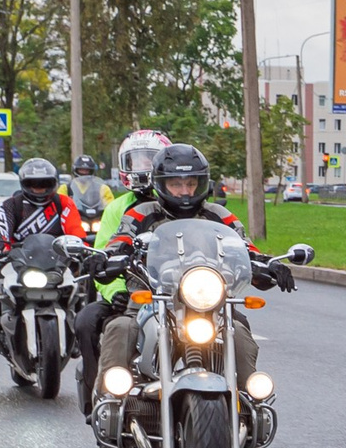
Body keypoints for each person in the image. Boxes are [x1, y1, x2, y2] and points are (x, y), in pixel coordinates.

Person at [90, 143, 296, 406]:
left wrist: (269, 265)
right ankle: (109, 402)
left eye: (191, 184)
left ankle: (250, 403)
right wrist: (107, 258)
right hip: (151, 300)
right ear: (161, 184)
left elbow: (245, 248)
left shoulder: (219, 215)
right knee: (120, 327)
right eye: (176, 184)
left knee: (239, 332)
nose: (185, 191)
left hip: (209, 302)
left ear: (202, 184)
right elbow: (119, 241)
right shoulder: (141, 213)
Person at [0, 156, 88, 351]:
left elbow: (76, 231)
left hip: (58, 261)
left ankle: (75, 335)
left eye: (44, 184)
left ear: (54, 183)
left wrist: (82, 247)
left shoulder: (64, 203)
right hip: (17, 261)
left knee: (78, 294)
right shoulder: (11, 205)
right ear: (24, 184)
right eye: (34, 184)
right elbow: (0, 232)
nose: (39, 189)